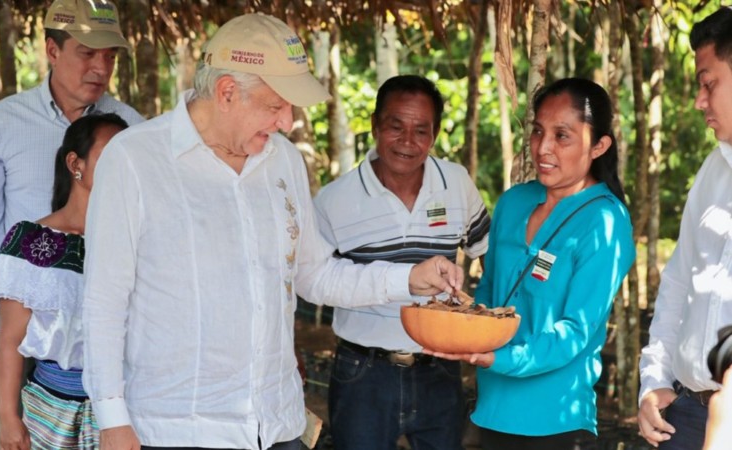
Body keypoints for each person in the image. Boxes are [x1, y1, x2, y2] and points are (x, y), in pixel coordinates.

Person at [81, 13, 463, 450]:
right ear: (227, 92)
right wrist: (112, 419)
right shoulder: (134, 159)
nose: (288, 122)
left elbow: (315, 275)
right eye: (276, 105)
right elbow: (104, 301)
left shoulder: (282, 160)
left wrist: (407, 279)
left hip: (276, 425)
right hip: (178, 428)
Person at [428, 77, 635, 450]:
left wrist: (500, 358)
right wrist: (456, 320)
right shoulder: (514, 202)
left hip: (556, 420)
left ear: (599, 146)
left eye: (562, 136)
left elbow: (576, 330)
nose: (543, 147)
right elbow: (490, 291)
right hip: (491, 409)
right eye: (538, 131)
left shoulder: (605, 221)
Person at [0, 0, 144, 428]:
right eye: (87, 53)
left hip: (109, 347)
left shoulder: (135, 131)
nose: (100, 68)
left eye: (109, 57)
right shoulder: (1, 123)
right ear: (52, 51)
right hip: (19, 336)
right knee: (14, 430)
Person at [312, 74, 490, 450]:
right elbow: (314, 280)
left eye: (421, 131)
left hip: (439, 368)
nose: (408, 142)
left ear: (436, 133)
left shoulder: (456, 183)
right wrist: (405, 278)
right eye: (396, 127)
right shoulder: (334, 200)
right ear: (375, 124)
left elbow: (486, 253)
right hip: (363, 373)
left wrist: (486, 321)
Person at [0, 113, 128, 449]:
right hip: (47, 413)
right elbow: (10, 342)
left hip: (125, 412)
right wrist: (8, 417)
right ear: (74, 163)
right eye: (112, 153)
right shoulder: (28, 242)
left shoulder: (137, 242)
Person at [637, 7, 732, 450]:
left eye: (708, 83)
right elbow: (678, 283)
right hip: (688, 413)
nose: (699, 100)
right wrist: (655, 380)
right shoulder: (713, 171)